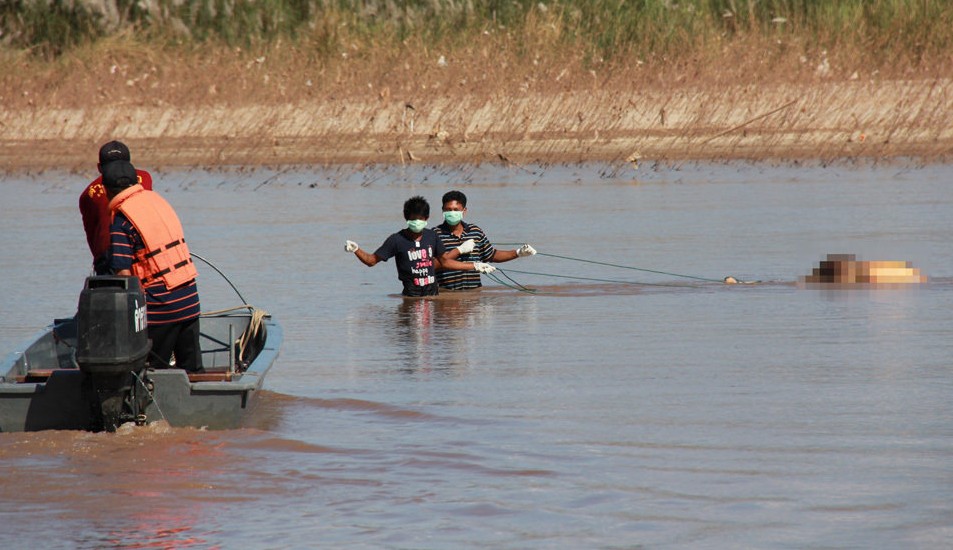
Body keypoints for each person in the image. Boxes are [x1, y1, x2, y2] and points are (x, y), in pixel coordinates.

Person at [103, 160, 203, 373]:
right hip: (190, 300)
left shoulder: (122, 220)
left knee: (152, 373)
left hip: (161, 310)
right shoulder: (158, 200)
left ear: (107, 191)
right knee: (193, 371)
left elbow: (123, 273)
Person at [345, 196, 497, 297]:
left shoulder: (432, 236)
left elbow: (445, 262)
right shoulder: (396, 240)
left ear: (426, 219)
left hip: (433, 295)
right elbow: (371, 260)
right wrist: (356, 250)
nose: (416, 222)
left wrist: (475, 266)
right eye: (413, 219)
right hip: (411, 296)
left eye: (420, 219)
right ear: (406, 218)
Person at [434, 190, 536, 291]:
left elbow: (491, 255)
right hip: (446, 294)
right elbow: (430, 266)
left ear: (464, 211)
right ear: (443, 210)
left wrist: (518, 253)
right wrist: (459, 250)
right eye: (448, 210)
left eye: (456, 210)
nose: (452, 213)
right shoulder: (434, 234)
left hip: (474, 293)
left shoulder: (475, 232)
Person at [80, 140, 153, 275]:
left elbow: (93, 237)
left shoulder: (87, 194)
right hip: (143, 249)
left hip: (108, 256)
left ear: (99, 168)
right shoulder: (145, 178)